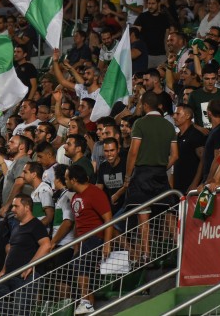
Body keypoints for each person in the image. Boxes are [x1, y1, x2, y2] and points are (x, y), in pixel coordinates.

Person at [125, 91, 178, 264]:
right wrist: (163, 167)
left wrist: (127, 177)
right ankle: (179, 246)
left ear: (146, 105)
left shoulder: (140, 123)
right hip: (160, 174)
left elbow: (133, 152)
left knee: (143, 213)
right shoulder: (168, 126)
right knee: (167, 209)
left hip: (142, 174)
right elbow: (175, 156)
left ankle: (146, 253)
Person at [0, 194, 51, 314]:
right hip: (10, 274)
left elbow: (46, 245)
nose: (12, 209)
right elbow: (11, 250)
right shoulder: (16, 227)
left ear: (27, 207)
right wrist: (3, 270)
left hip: (27, 276)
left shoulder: (36, 224)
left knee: (20, 309)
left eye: (16, 206)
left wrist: (30, 266)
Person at [66, 165, 112, 315]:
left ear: (73, 180)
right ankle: (88, 303)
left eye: (66, 179)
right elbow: (78, 224)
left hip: (96, 238)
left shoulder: (95, 193)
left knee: (78, 263)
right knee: (77, 266)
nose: (65, 181)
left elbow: (108, 220)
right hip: (83, 241)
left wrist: (107, 244)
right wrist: (76, 245)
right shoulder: (74, 197)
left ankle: (85, 302)